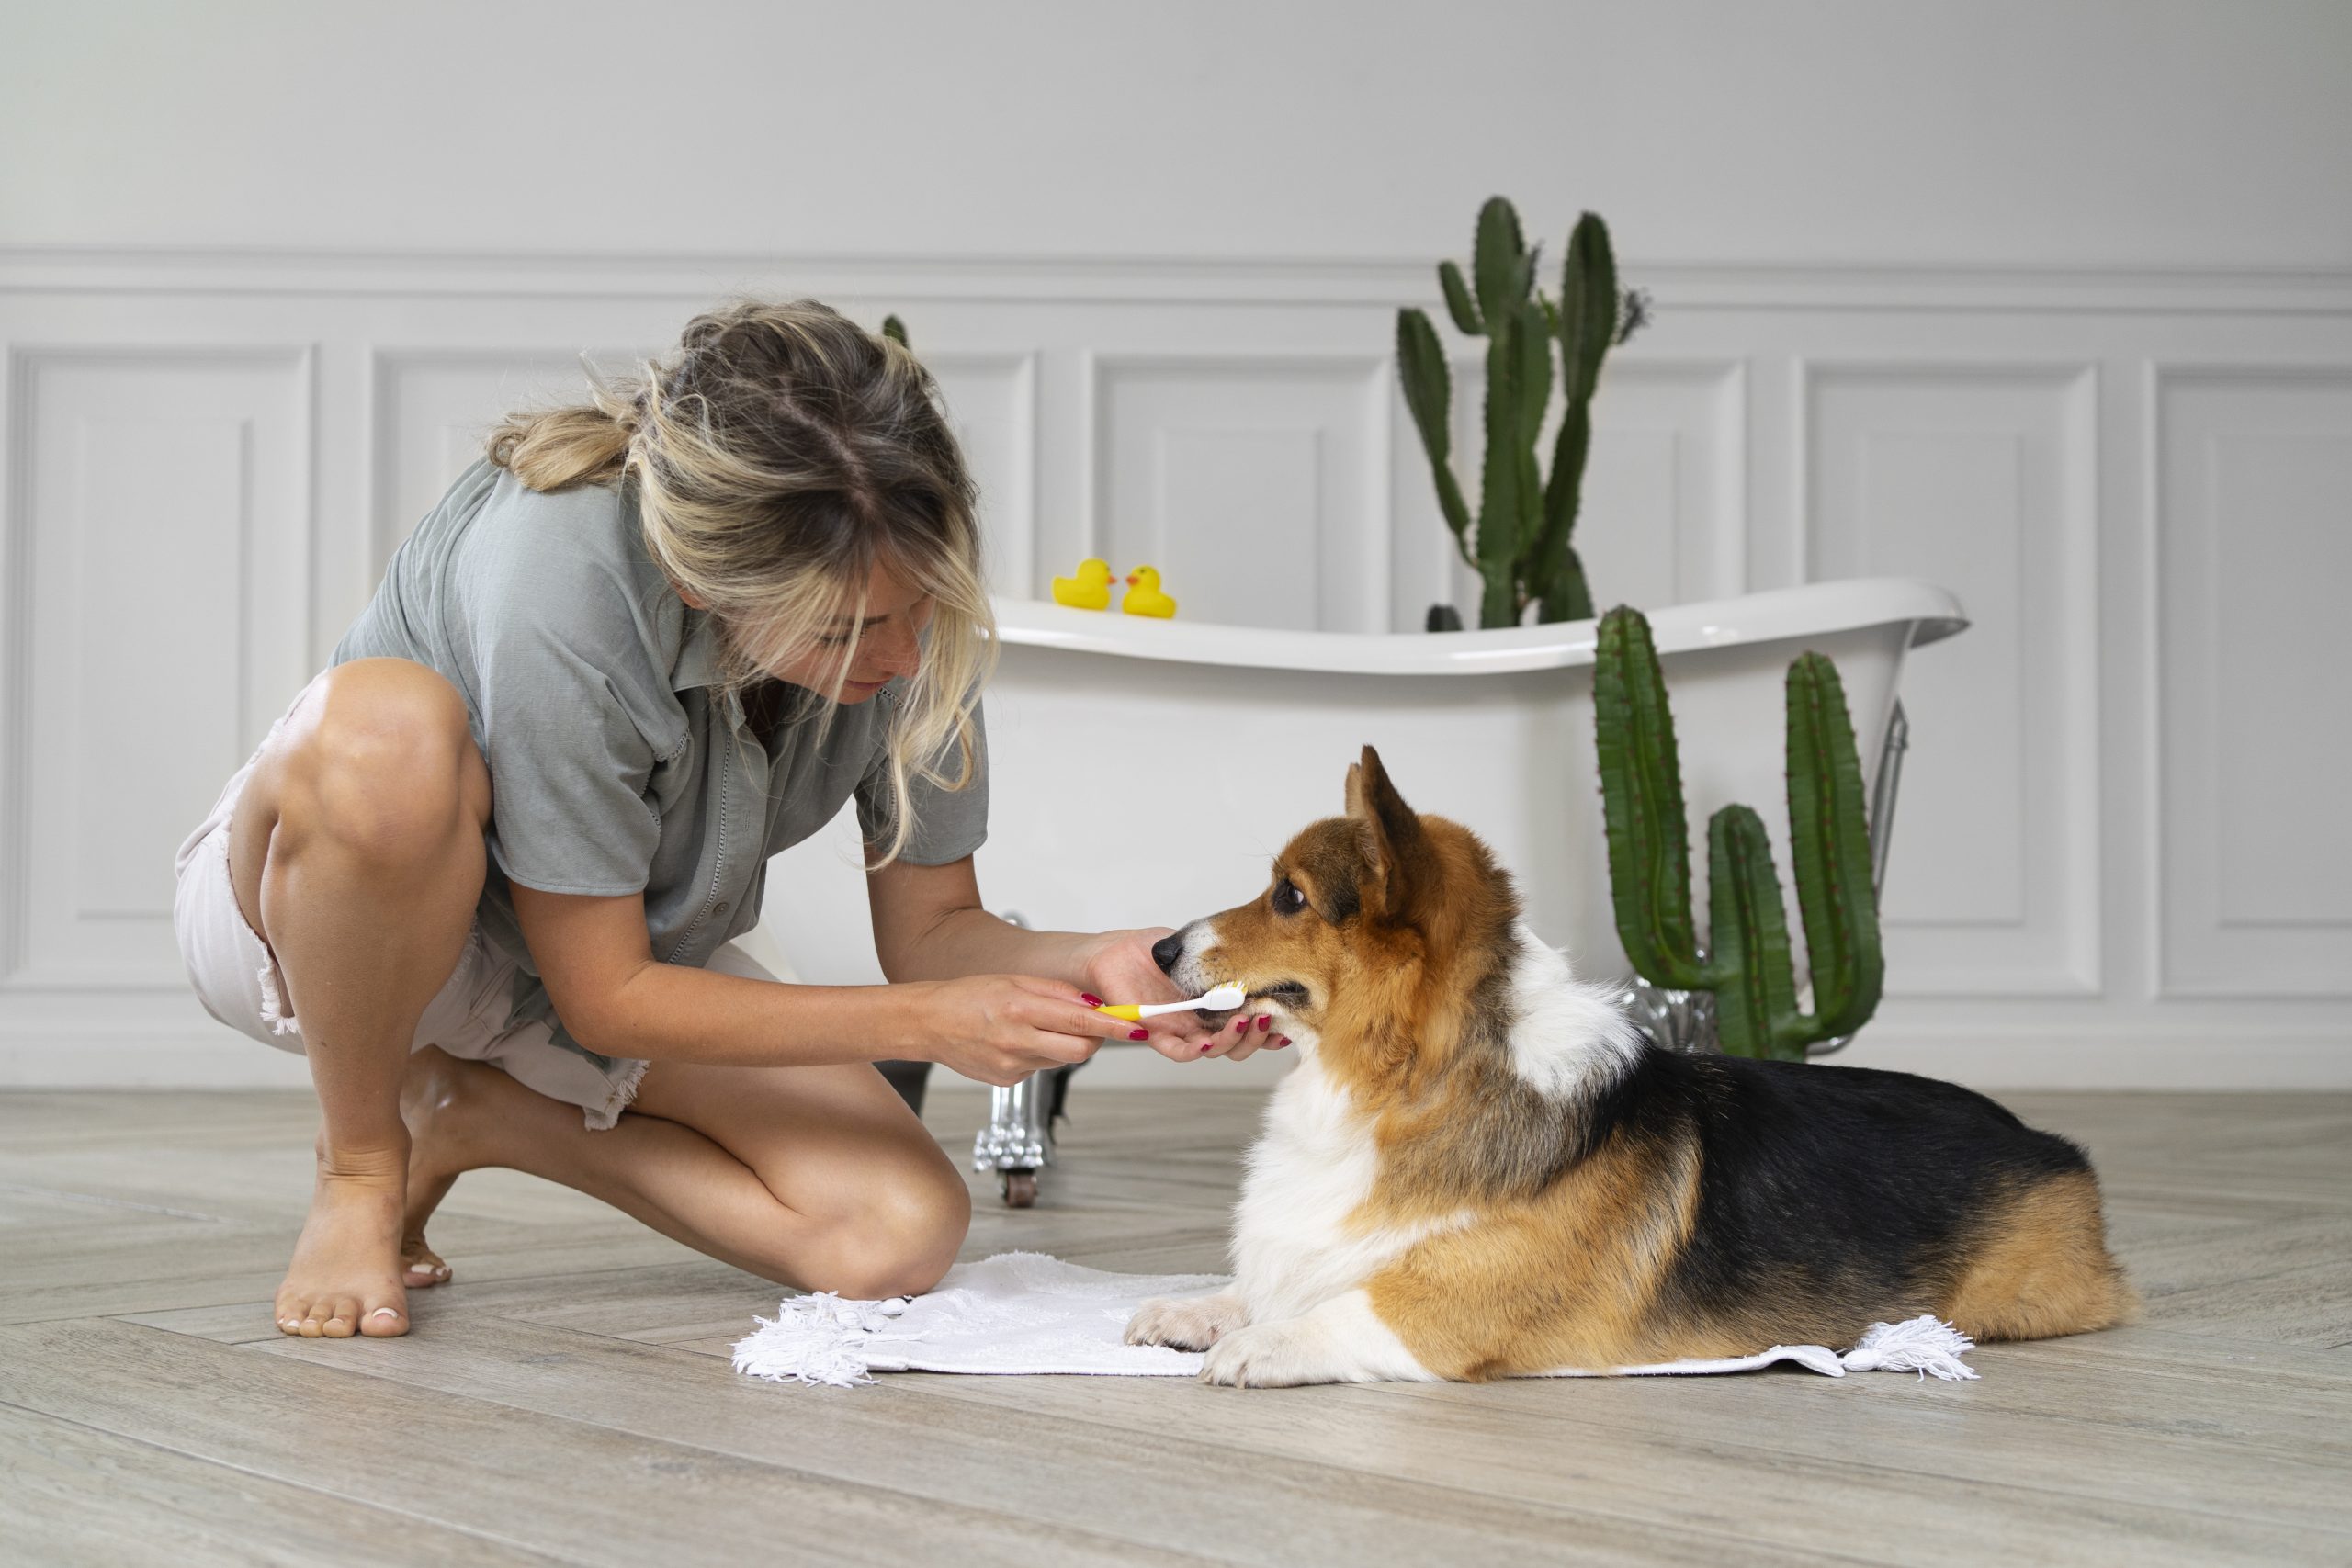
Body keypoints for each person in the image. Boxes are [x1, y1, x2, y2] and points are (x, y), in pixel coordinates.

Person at [170, 299, 1287, 1340]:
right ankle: (363, 1162)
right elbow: (605, 1002)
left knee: (894, 1234)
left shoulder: (902, 607)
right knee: (387, 735)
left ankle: (474, 1116)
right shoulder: (557, 570)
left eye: (921, 609)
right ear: (708, 583)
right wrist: (928, 1021)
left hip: (605, 966)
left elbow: (936, 932)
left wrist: (1106, 965)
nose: (901, 659)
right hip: (331, 923)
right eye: (849, 631)